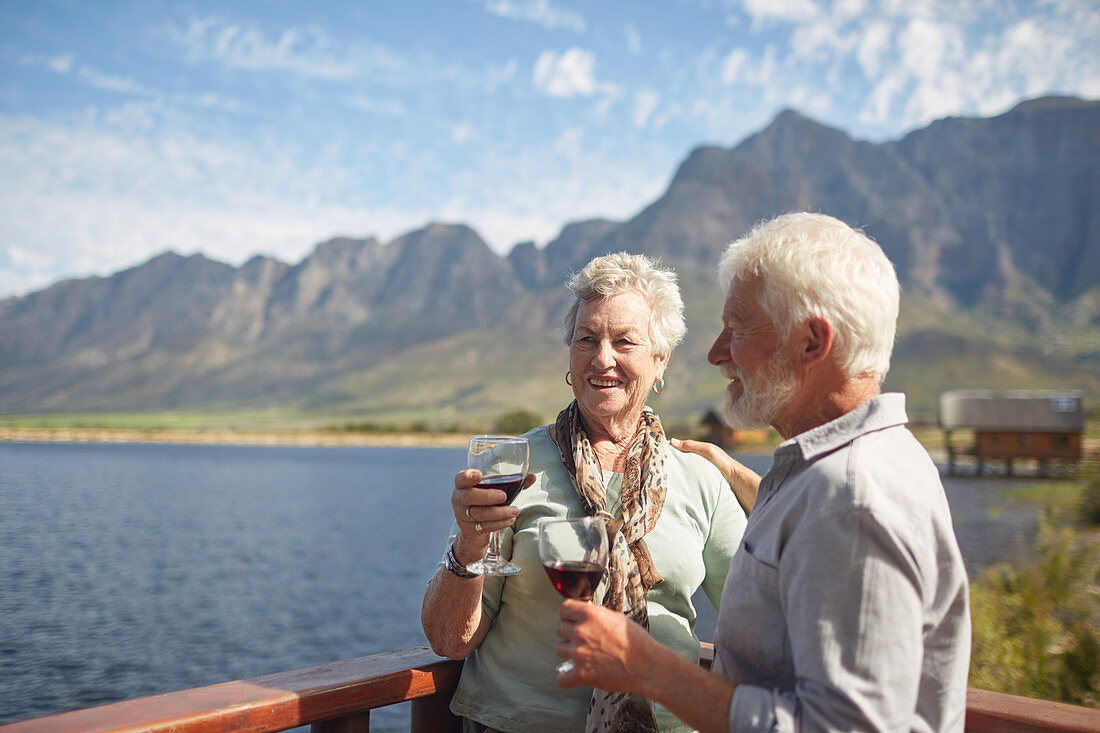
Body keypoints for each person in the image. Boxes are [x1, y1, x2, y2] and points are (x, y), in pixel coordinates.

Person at [556, 213, 972, 732]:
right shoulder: (840, 476)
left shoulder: (852, 499)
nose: (715, 354)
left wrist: (647, 668)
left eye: (740, 330)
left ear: (811, 344)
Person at [421, 252, 750, 732]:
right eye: (587, 339)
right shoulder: (512, 466)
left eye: (624, 342)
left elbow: (757, 621)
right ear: (570, 357)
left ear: (660, 362)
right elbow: (450, 641)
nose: (602, 358)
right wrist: (469, 546)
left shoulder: (700, 480)